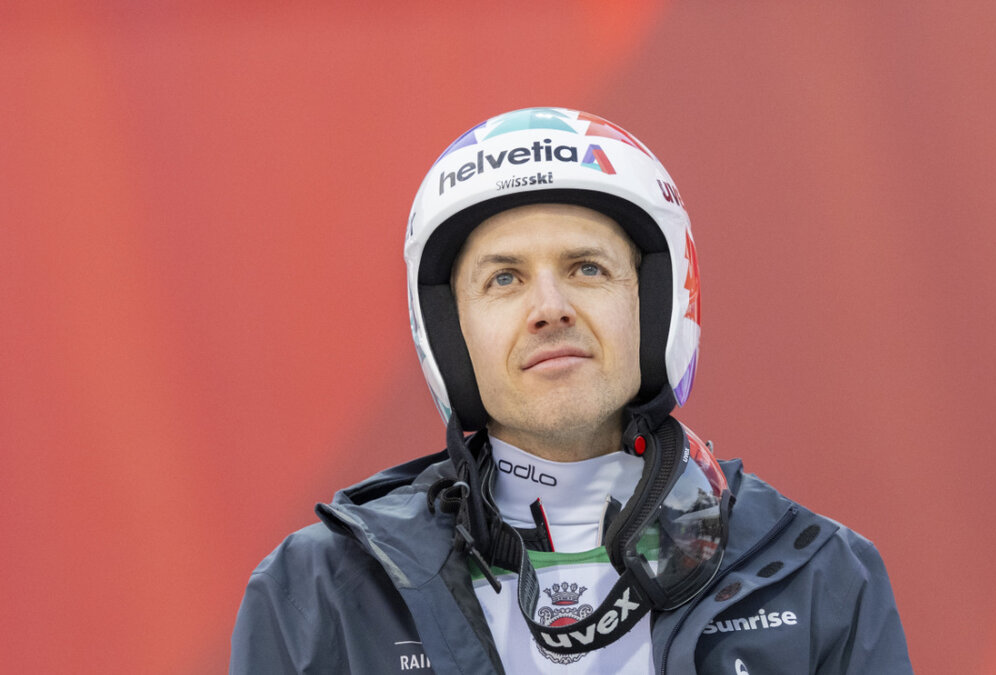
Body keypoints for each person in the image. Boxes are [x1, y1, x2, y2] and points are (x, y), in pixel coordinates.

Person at [231, 107, 912, 674]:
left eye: (586, 267)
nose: (549, 308)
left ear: (656, 302)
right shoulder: (315, 595)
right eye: (503, 279)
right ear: (449, 330)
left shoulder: (817, 574)